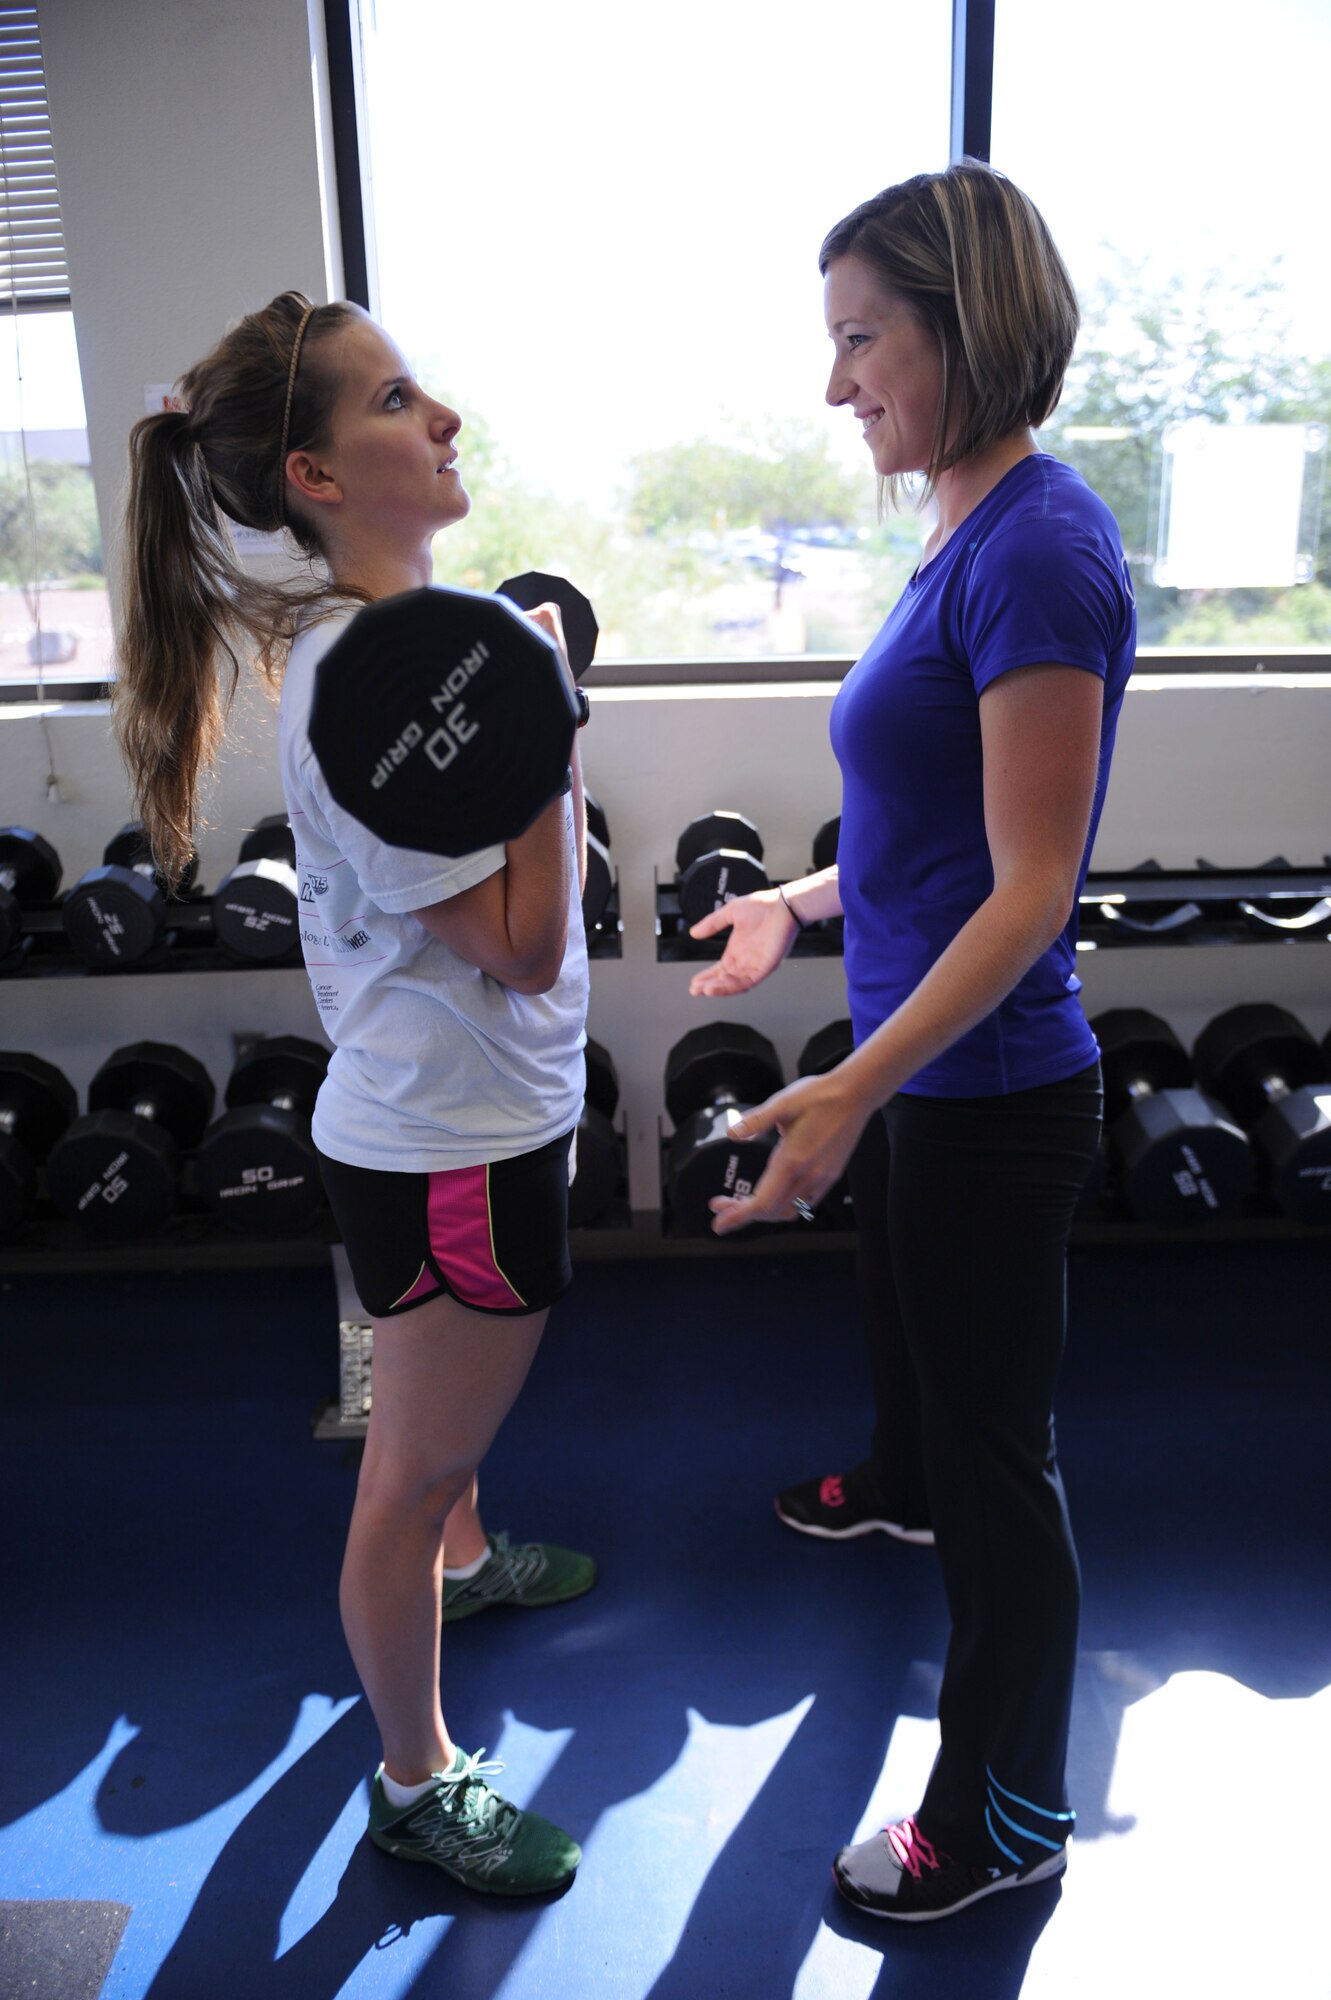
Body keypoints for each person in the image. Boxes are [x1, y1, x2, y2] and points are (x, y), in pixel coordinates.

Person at [689, 163, 1135, 1921]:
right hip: (925, 1077)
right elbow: (923, 825)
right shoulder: (957, 527)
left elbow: (1030, 889)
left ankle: (1011, 1816)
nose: (835, 384)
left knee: (1000, 1476)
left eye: (863, 340)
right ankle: (895, 1479)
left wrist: (854, 1086)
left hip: (994, 1090)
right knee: (943, 1428)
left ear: (969, 325)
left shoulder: (1040, 544)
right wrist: (800, 906)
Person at [114, 291, 595, 1897]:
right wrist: (550, 736)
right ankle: (414, 1776)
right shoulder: (371, 678)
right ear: (317, 475)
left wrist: (516, 695)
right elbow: (525, 946)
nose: (441, 415)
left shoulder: (397, 645)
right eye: (397, 399)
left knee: (438, 1447)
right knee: (409, 1471)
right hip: (454, 1142)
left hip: (450, 1114)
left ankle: (470, 1558)